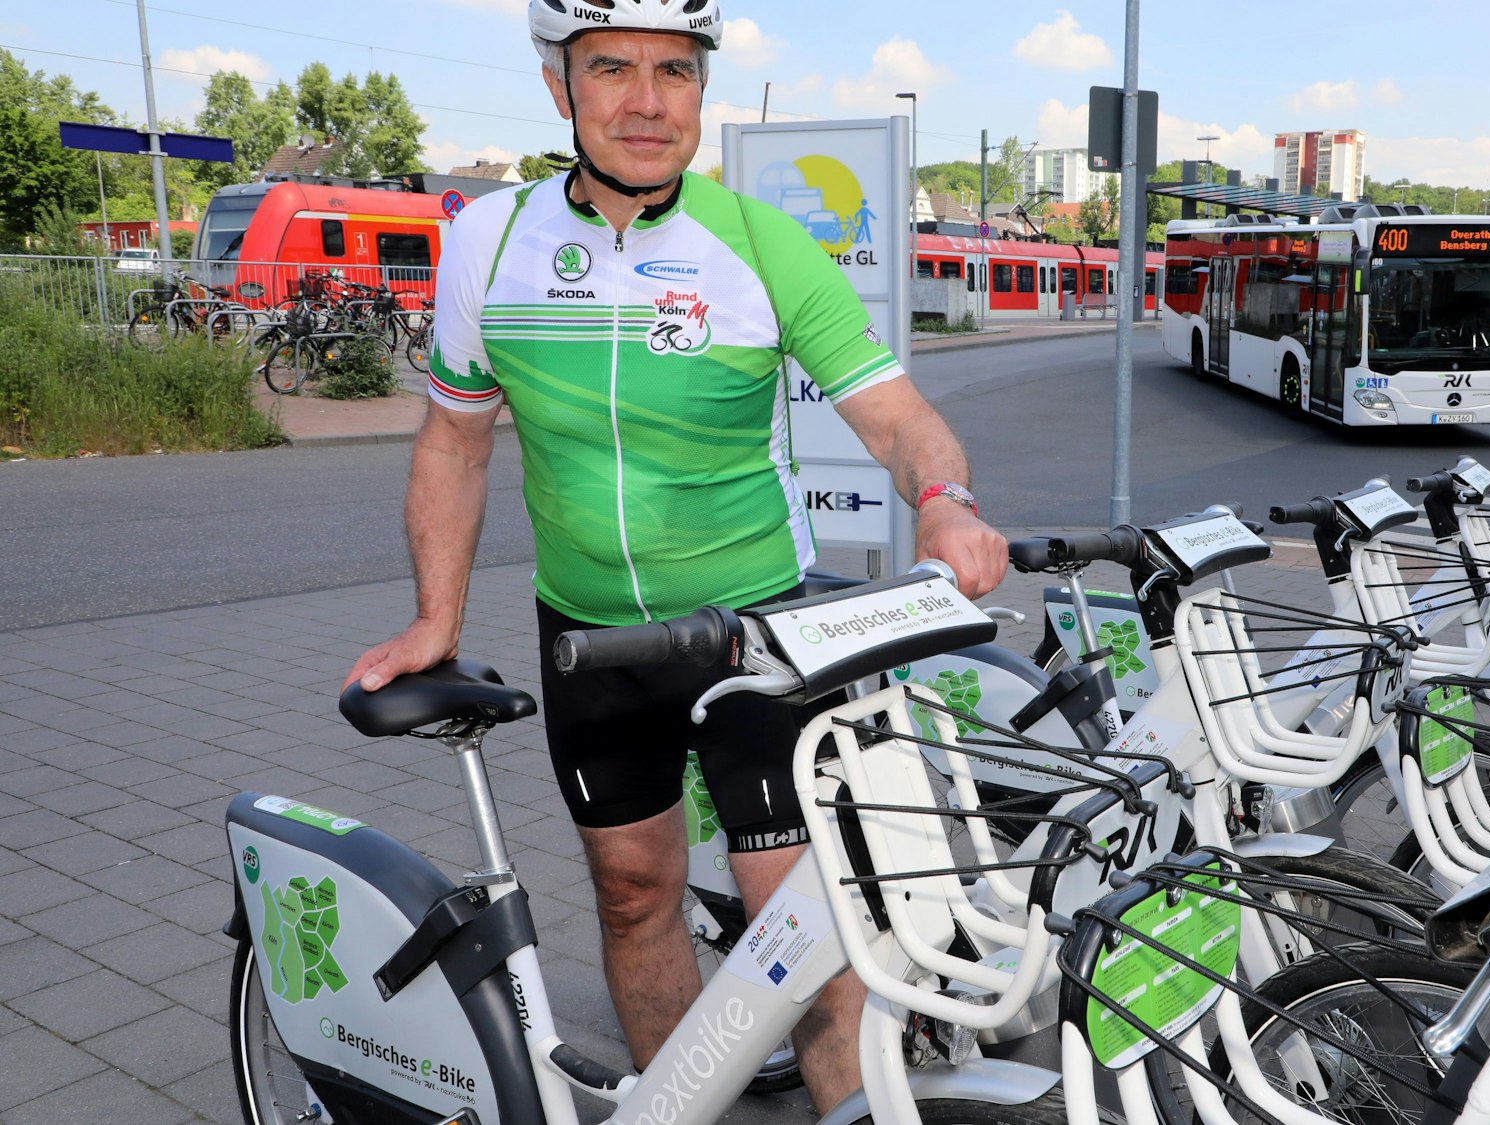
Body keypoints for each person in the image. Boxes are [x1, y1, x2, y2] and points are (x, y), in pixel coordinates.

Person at [343, 1, 1008, 1113]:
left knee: (802, 934)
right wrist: (434, 621)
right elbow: (455, 441)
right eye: (612, 68)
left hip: (757, 636)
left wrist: (943, 504)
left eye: (675, 71)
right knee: (631, 895)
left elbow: (897, 417)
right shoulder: (490, 242)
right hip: (590, 639)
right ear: (560, 86)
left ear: (702, 87)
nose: (647, 103)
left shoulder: (758, 242)